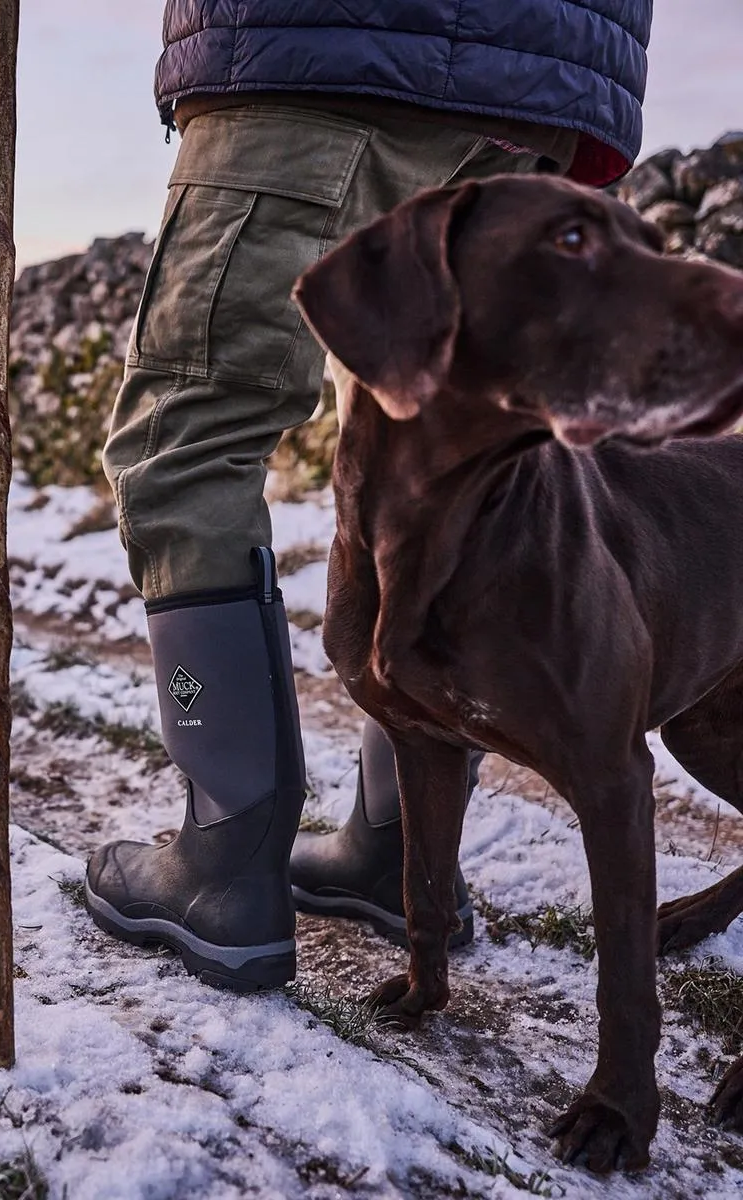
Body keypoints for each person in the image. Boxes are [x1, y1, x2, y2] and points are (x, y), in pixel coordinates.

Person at [85, 2, 653, 992]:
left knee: (190, 430)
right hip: (552, 80)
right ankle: (399, 851)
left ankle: (225, 861)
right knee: (434, 445)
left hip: (328, 44)